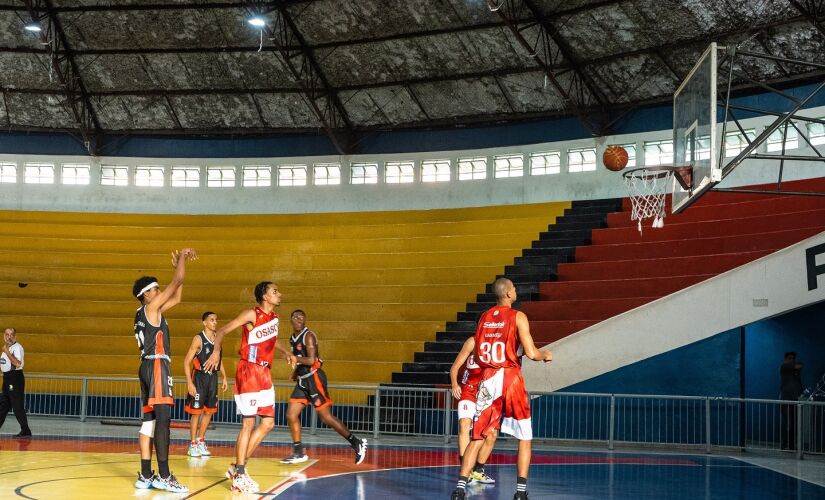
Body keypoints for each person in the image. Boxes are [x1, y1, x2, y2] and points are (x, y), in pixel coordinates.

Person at [451, 278, 553, 500]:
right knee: (524, 437)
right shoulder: (518, 316)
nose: (516, 291)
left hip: (488, 378)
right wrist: (545, 355)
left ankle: (459, 488)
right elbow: (532, 352)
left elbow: (478, 355)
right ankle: (521, 493)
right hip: (510, 378)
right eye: (514, 289)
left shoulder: (484, 317)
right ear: (508, 294)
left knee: (477, 436)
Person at [202, 281, 297, 493]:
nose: (279, 294)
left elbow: (273, 340)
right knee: (248, 424)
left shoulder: (274, 318)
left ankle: (237, 467)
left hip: (264, 372)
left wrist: (285, 352)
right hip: (249, 371)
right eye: (275, 291)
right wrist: (216, 352)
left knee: (269, 423)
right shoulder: (251, 314)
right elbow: (222, 331)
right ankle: (240, 474)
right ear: (264, 296)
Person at [132, 248, 197, 493]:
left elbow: (177, 297)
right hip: (157, 364)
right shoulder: (151, 309)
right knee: (163, 420)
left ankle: (146, 474)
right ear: (145, 295)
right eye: (155, 289)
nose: (159, 292)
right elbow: (178, 281)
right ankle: (165, 475)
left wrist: (176, 269)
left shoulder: (145, 313)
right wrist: (181, 259)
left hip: (146, 365)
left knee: (148, 421)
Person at [280, 309, 368, 465]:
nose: (300, 319)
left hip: (315, 378)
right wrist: (296, 372)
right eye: (296, 317)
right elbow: (301, 360)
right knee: (291, 414)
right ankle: (298, 452)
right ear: (291, 319)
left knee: (326, 417)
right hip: (303, 379)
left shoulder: (309, 336)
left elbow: (312, 360)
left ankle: (356, 443)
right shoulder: (293, 338)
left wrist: (294, 358)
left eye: (302, 317)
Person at [449, 336, 496, 485]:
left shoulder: (498, 343)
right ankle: (465, 470)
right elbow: (454, 367)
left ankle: (478, 471)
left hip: (487, 393)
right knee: (464, 425)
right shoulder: (472, 342)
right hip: (469, 391)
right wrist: (455, 384)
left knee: (491, 434)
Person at [183, 311, 228, 457]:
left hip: (212, 378)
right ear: (204, 322)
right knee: (196, 413)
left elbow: (219, 360)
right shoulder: (198, 339)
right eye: (212, 319)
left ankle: (201, 440)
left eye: (216, 319)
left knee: (209, 412)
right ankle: (192, 445)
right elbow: (186, 362)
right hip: (199, 378)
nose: (215, 322)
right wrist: (190, 383)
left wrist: (225, 377)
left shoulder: (218, 339)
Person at [0, 327, 32, 438]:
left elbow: (18, 364)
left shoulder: (17, 348)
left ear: (15, 336)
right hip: (7, 378)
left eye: (11, 334)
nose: (9, 337)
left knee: (17, 406)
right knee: (3, 405)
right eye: (7, 334)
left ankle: (26, 430)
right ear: (4, 335)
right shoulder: (7, 347)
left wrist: (7, 352)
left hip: (15, 378)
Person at [780, 351, 803, 450]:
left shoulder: (794, 371)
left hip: (794, 399)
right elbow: (798, 366)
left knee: (793, 423)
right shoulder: (784, 367)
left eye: (793, 358)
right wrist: (795, 366)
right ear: (785, 359)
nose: (792, 360)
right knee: (788, 422)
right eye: (789, 358)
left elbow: (800, 366)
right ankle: (785, 445)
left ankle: (791, 445)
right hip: (786, 399)